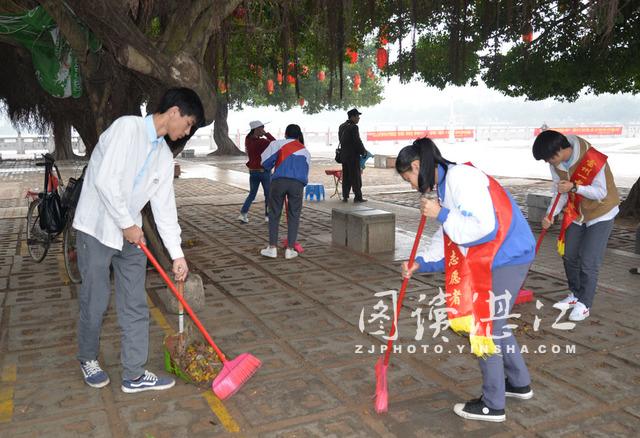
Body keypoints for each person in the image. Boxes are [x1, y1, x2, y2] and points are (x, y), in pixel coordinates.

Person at [72, 87, 204, 392]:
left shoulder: (162, 156)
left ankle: (133, 373)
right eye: (188, 124)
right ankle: (88, 357)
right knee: (96, 301)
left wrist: (177, 254)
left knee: (134, 302)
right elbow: (105, 181)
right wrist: (127, 223)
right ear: (174, 112)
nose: (187, 131)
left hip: (131, 238)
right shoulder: (126, 128)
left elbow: (164, 208)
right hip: (96, 228)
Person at [399, 138, 535, 423]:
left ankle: (493, 404)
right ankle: (519, 383)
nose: (411, 184)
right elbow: (447, 235)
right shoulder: (447, 183)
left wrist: (441, 213)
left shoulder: (462, 178)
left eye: (408, 176)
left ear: (416, 165)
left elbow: (482, 229)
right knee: (494, 323)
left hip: (506, 255)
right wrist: (420, 262)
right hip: (500, 255)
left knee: (484, 327)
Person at [532, 130, 620, 321]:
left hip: (601, 212)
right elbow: (560, 191)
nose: (549, 163)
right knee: (569, 253)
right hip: (577, 213)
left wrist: (575, 187)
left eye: (549, 158)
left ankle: (585, 303)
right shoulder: (555, 163)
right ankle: (575, 294)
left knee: (589, 261)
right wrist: (550, 215)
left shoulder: (592, 159)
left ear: (560, 149)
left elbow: (600, 193)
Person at [260, 124, 310, 259]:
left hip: (279, 182)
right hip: (297, 185)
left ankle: (272, 248)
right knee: (294, 215)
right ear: (299, 135)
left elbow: (264, 162)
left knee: (274, 214)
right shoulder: (305, 150)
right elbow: (306, 171)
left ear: (285, 134)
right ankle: (290, 249)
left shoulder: (277, 144)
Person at [238, 120, 275, 224]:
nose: (264, 130)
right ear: (257, 129)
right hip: (264, 172)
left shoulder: (248, 139)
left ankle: (243, 214)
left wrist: (262, 134)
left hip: (253, 171)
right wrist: (267, 134)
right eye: (262, 128)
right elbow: (275, 142)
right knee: (268, 195)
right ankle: (268, 216)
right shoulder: (262, 142)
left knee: (252, 194)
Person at [338, 108, 368, 203]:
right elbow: (357, 141)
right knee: (355, 177)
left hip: (344, 156)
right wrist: (363, 151)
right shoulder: (354, 127)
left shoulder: (342, 126)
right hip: (352, 156)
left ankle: (345, 196)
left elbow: (342, 141)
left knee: (346, 176)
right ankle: (358, 197)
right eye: (357, 116)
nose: (359, 118)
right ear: (353, 117)